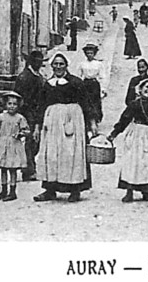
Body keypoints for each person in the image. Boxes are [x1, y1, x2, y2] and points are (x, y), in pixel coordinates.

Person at [32, 53, 100, 202]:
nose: (58, 67)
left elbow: (87, 103)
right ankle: (49, 190)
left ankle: (75, 190)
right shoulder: (47, 84)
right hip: (52, 123)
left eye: (61, 64)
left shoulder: (76, 82)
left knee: (71, 154)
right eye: (55, 64)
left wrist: (93, 122)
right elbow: (41, 106)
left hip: (72, 120)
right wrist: (37, 126)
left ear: (66, 65)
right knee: (51, 155)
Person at [108, 77, 148, 202]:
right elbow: (124, 120)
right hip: (136, 134)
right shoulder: (134, 104)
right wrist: (114, 133)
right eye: (146, 87)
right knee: (133, 163)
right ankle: (129, 191)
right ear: (140, 89)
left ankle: (146, 192)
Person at [14, 50, 46, 181]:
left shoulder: (38, 76)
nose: (38, 63)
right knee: (30, 140)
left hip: (37, 111)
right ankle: (28, 170)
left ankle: (29, 165)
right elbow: (19, 97)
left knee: (35, 141)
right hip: (28, 112)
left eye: (40, 61)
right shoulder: (24, 77)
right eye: (36, 61)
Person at [0, 91, 30, 201]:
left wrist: (20, 134)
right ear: (5, 104)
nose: (12, 106)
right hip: (3, 143)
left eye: (14, 104)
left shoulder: (20, 118)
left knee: (12, 168)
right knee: (3, 168)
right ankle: (3, 190)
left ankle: (12, 191)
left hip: (14, 144)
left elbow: (26, 130)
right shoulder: (1, 116)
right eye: (9, 104)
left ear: (18, 106)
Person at [77, 43, 105, 124]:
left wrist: (103, 89)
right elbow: (78, 75)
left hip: (94, 84)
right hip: (85, 84)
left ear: (94, 53)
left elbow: (102, 76)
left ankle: (96, 119)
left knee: (95, 102)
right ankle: (87, 119)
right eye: (88, 53)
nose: (89, 55)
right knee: (86, 101)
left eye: (91, 53)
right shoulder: (82, 64)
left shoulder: (98, 64)